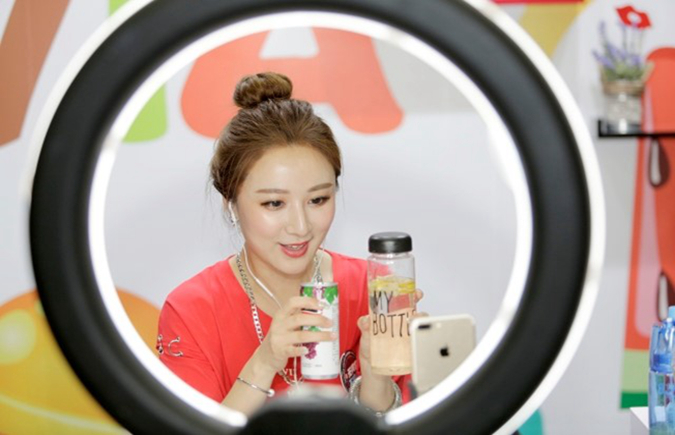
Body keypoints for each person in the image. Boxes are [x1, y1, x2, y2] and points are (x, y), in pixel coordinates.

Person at [156, 72, 412, 417]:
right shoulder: (192, 310)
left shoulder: (372, 288)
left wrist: (376, 376)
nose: (301, 226)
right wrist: (264, 362)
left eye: (318, 200)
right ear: (230, 203)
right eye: (274, 203)